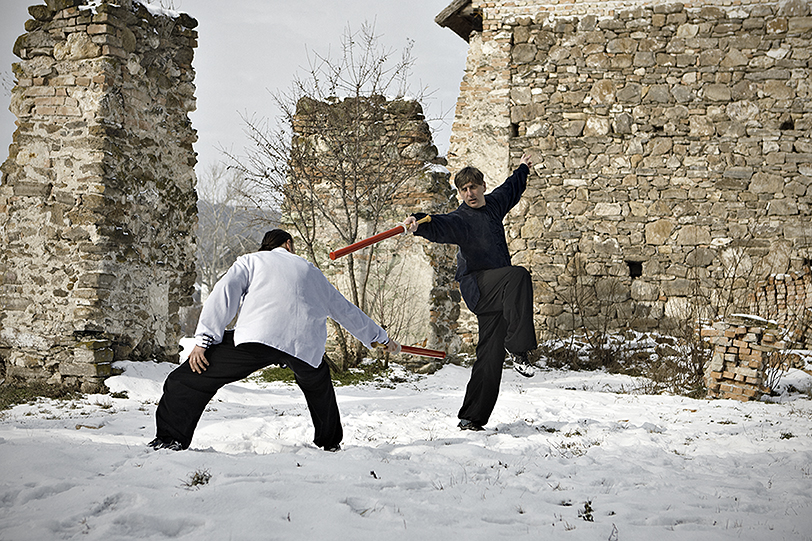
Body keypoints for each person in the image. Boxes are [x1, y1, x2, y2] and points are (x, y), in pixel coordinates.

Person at [149, 229, 400, 452]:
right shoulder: (312, 272)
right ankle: (329, 443)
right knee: (319, 385)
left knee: (188, 378)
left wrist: (204, 341)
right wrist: (380, 338)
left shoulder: (251, 261)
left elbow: (224, 294)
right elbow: (345, 310)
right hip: (304, 347)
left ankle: (170, 440)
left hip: (257, 339)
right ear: (288, 244)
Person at [404, 155, 537, 432]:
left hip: (501, 294)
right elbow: (439, 224)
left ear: (483, 187)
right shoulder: (461, 219)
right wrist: (418, 222)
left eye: (473, 187)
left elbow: (511, 187)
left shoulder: (495, 204)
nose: (469, 193)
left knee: (490, 355)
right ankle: (518, 349)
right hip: (479, 287)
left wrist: (524, 168)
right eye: (463, 189)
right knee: (519, 275)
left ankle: (471, 417)